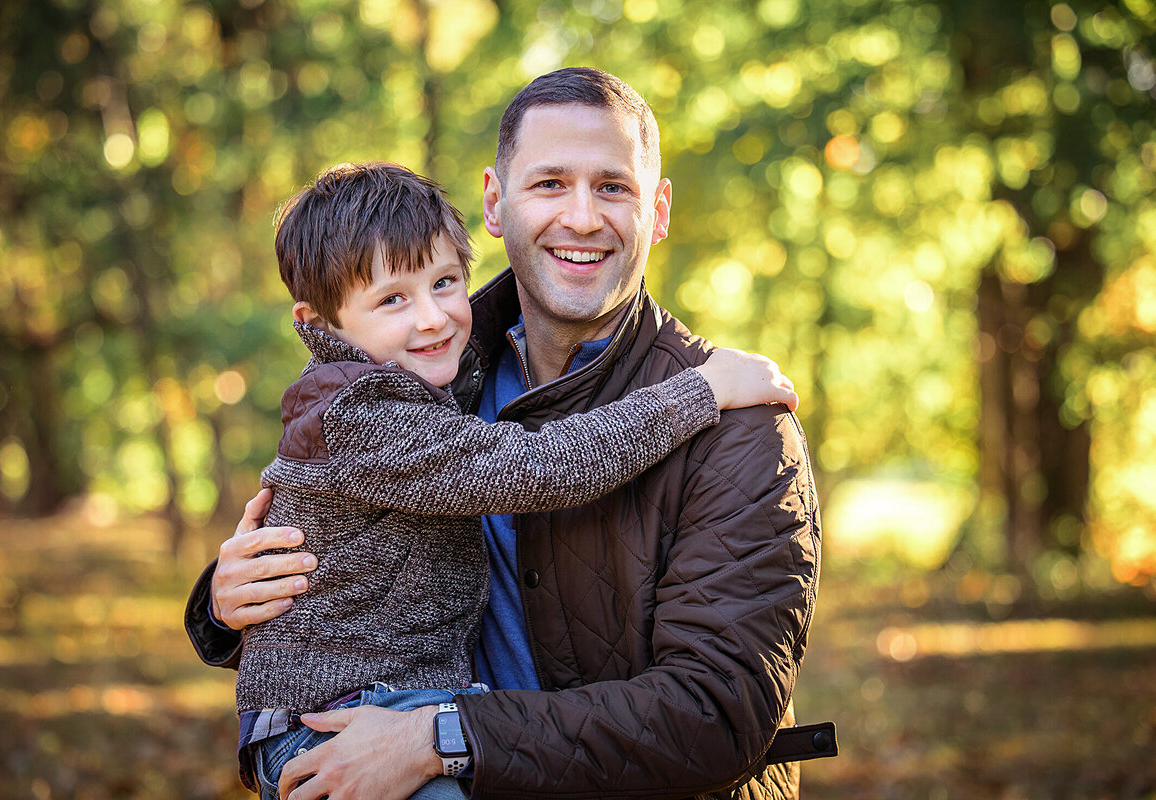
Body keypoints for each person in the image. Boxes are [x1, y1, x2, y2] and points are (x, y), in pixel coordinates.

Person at [185, 67, 821, 800]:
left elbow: (715, 714)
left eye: (613, 187)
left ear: (659, 209)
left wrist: (441, 738)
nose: (582, 217)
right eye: (549, 183)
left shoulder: (737, 424)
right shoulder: (418, 380)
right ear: (495, 202)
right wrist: (227, 604)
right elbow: (369, 564)